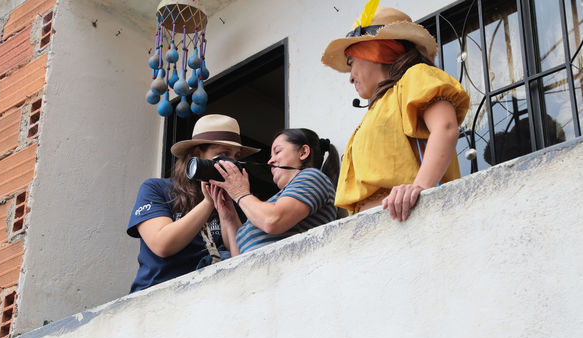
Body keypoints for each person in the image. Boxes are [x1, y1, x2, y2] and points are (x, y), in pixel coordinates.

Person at [321, 5, 470, 221]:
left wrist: (420, 187)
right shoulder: (376, 110)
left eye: (351, 62)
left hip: (409, 218)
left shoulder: (415, 77)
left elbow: (445, 128)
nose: (351, 77)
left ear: (375, 52)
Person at [126, 114, 260, 292]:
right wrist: (208, 203)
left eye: (235, 157)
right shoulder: (157, 188)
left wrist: (229, 209)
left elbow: (242, 257)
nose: (231, 164)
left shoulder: (231, 200)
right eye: (223, 155)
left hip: (213, 294)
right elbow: (162, 244)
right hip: (158, 296)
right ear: (197, 155)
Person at [207, 128, 339, 255]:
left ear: (303, 152)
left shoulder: (312, 177)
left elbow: (273, 221)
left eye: (277, 151)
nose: (270, 160)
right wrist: (229, 218)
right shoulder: (271, 204)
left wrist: (240, 194)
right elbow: (238, 259)